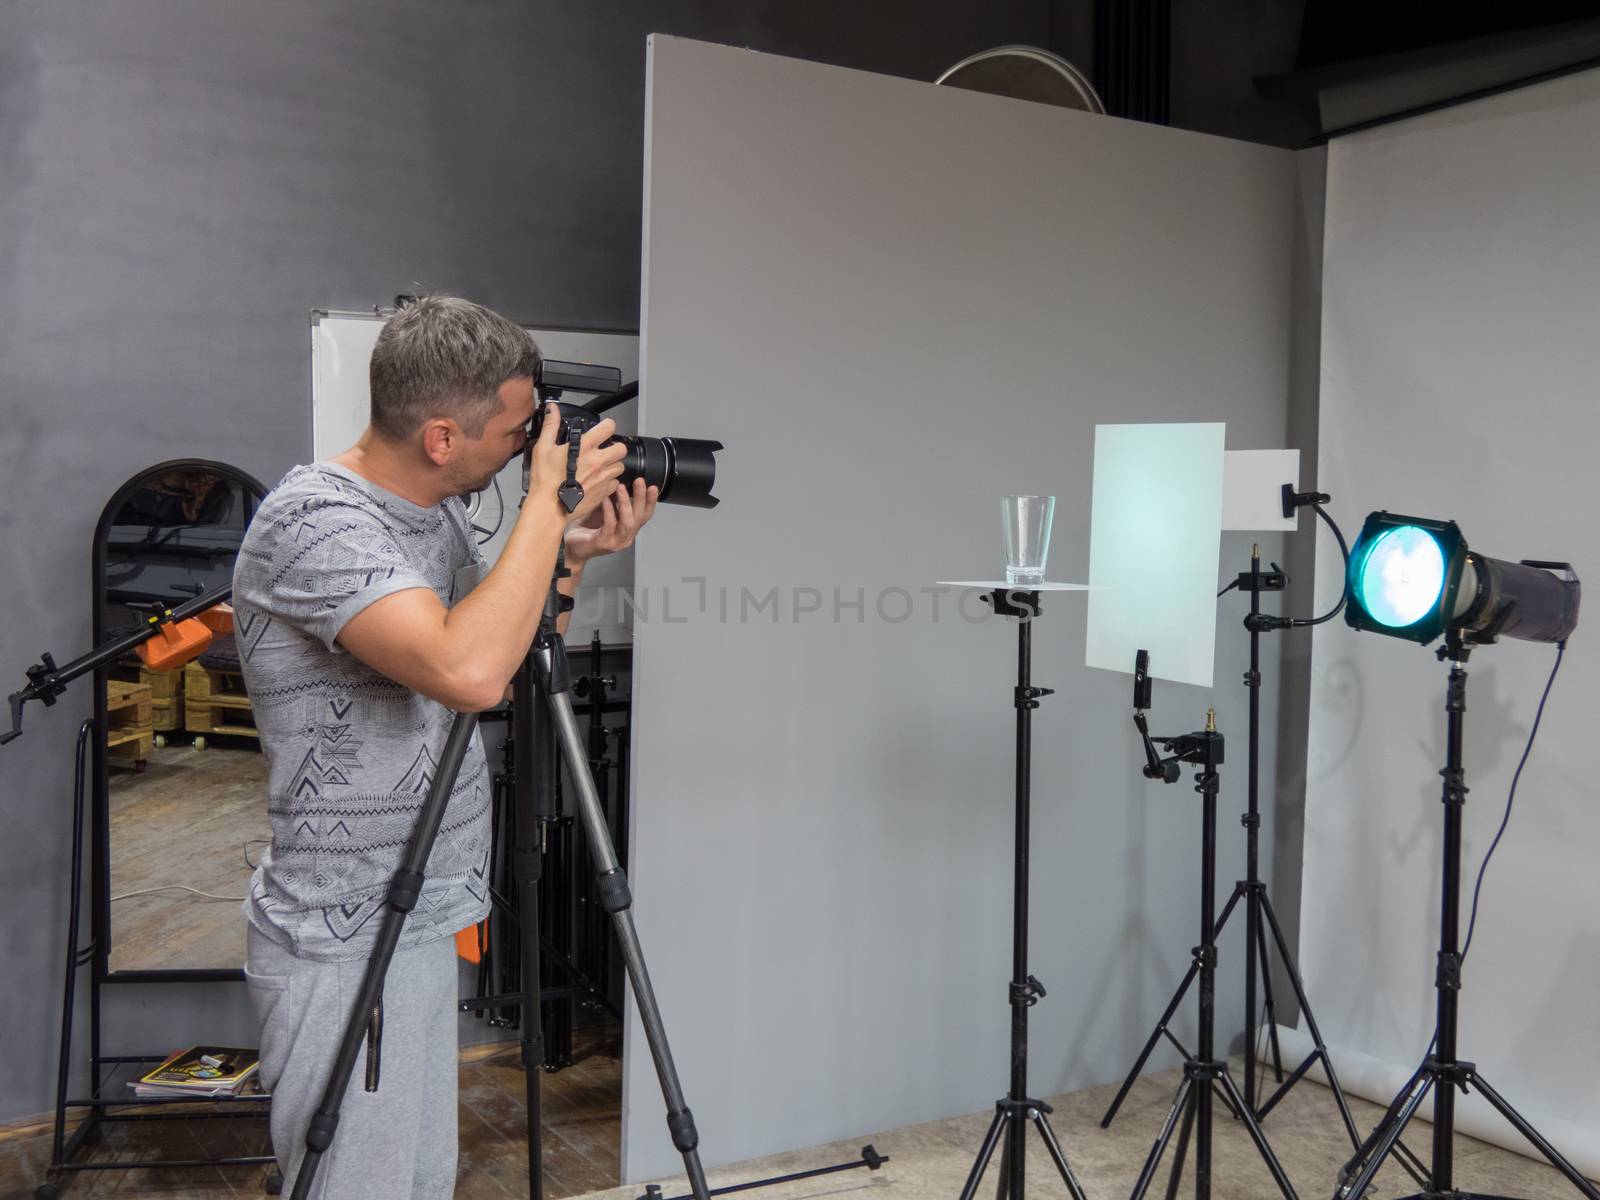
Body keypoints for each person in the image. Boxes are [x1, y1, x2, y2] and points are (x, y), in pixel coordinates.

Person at [232, 295, 656, 1197]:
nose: (523, 446)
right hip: (347, 930)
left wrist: (569, 558)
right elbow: (462, 673)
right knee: (358, 1184)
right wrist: (547, 502)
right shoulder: (314, 521)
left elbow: (506, 657)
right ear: (439, 438)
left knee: (421, 1180)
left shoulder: (436, 518)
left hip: (423, 905)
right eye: (512, 431)